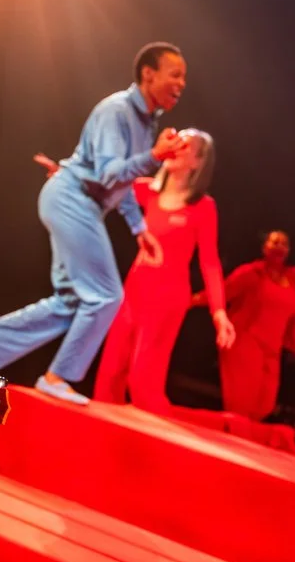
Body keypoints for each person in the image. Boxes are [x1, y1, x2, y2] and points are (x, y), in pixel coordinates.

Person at [0, 42, 190, 405]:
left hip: (80, 204)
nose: (182, 83)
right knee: (106, 294)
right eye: (175, 74)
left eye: (183, 77)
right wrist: (154, 156)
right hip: (71, 199)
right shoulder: (117, 111)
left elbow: (122, 185)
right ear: (149, 74)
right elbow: (112, 173)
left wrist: (139, 229)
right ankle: (56, 376)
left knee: (71, 302)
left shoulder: (146, 121)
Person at [92, 129, 235, 413]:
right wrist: (64, 177)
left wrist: (219, 313)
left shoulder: (202, 207)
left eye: (185, 146)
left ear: (197, 162)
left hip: (168, 298)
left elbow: (209, 261)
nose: (176, 147)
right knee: (110, 374)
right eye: (174, 141)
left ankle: (151, 447)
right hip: (134, 290)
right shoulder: (147, 191)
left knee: (142, 381)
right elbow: (104, 185)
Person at [194, 230, 295, 421]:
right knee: (241, 405)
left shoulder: (292, 282)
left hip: (272, 350)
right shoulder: (251, 273)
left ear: (289, 251)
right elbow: (222, 292)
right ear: (264, 248)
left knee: (264, 406)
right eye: (275, 242)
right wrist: (190, 300)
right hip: (244, 341)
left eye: (284, 243)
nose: (279, 246)